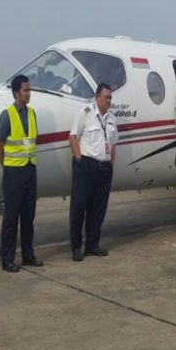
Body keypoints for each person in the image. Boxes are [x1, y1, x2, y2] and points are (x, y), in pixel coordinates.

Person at [0, 74, 42, 272]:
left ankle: (29, 256)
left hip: (30, 170)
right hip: (13, 172)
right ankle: (7, 260)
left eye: (29, 90)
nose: (29, 93)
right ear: (16, 93)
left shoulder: (31, 114)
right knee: (11, 219)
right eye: (25, 90)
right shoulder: (7, 115)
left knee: (28, 217)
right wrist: (7, 165)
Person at [68, 83, 118, 261]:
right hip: (86, 166)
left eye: (110, 98)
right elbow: (73, 136)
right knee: (79, 207)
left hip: (104, 168)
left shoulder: (112, 118)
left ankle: (92, 245)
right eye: (106, 98)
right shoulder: (86, 113)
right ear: (97, 97)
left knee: (98, 209)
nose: (109, 101)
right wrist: (79, 159)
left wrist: (110, 164)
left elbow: (113, 144)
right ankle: (76, 247)